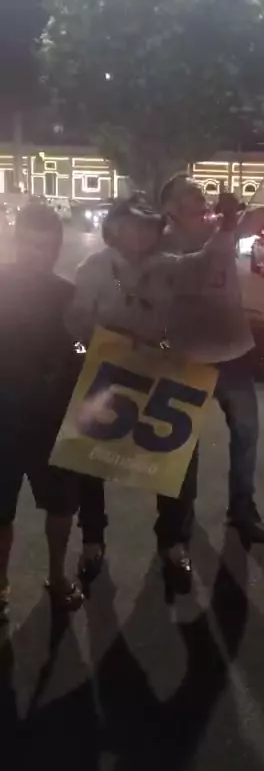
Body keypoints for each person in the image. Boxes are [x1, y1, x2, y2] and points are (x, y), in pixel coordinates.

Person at [67, 193, 237, 590]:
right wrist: (97, 342)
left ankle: (173, 543)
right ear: (114, 228)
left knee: (178, 460)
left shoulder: (168, 267)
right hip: (106, 372)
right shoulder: (92, 268)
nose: (140, 233)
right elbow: (75, 322)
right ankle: (92, 540)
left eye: (148, 225)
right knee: (88, 461)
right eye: (132, 224)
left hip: (160, 369)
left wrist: (227, 228)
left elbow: (207, 264)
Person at [158, 175, 264, 553]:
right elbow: (198, 265)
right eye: (191, 193)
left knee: (246, 434)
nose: (202, 197)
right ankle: (179, 518)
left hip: (233, 354)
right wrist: (227, 227)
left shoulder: (221, 227)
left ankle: (242, 507)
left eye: (201, 192)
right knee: (182, 444)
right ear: (171, 208)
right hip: (187, 358)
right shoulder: (161, 244)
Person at [0, 204, 88, 620]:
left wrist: (87, 350)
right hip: (3, 420)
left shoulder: (68, 295)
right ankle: (0, 588)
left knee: (62, 508)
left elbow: (80, 346)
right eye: (30, 245)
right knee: (0, 513)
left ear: (57, 247)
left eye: (47, 247)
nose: (38, 254)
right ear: (16, 242)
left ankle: (57, 576)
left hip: (53, 420)